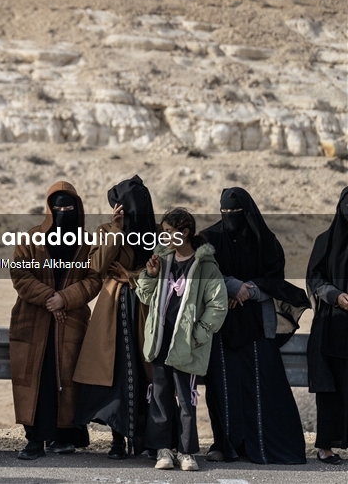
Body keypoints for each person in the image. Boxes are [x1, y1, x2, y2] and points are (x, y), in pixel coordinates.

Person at [200, 187, 308, 464]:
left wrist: (252, 290)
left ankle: (262, 443)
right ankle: (225, 445)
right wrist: (232, 287)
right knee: (223, 386)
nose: (229, 217)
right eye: (224, 212)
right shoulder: (209, 239)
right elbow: (203, 272)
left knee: (262, 384)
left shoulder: (265, 241)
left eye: (235, 213)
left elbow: (275, 276)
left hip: (258, 322)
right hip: (221, 322)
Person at [9, 182, 101, 460]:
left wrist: (65, 299)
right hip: (34, 321)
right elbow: (20, 275)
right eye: (57, 208)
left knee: (67, 377)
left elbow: (94, 278)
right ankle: (35, 440)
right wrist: (51, 298)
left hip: (70, 322)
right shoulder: (31, 239)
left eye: (68, 208)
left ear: (78, 209)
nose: (62, 213)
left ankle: (64, 436)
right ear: (48, 209)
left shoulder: (86, 245)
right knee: (37, 379)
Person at [136, 207, 227, 472]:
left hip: (187, 345)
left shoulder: (206, 266)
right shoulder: (161, 261)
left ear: (184, 233)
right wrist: (150, 276)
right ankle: (164, 450)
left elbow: (217, 305)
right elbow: (144, 295)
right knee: (161, 396)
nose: (163, 237)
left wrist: (199, 334)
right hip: (161, 340)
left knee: (187, 399)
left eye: (168, 232)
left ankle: (187, 452)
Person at [74, 176, 156, 459]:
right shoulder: (107, 230)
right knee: (117, 372)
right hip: (112, 310)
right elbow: (97, 266)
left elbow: (162, 271)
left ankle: (147, 439)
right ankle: (117, 440)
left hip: (146, 307)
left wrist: (132, 276)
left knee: (146, 373)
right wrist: (116, 230)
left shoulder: (156, 233)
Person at [307, 186, 348, 464]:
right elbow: (314, 279)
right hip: (331, 328)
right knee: (330, 391)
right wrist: (336, 296)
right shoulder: (325, 241)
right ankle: (325, 447)